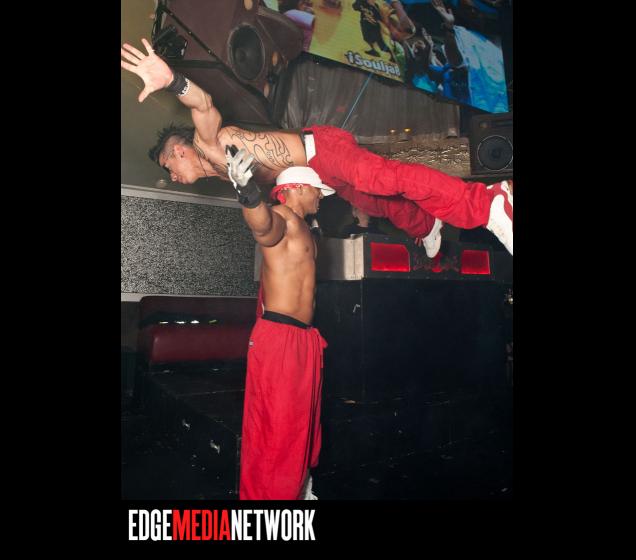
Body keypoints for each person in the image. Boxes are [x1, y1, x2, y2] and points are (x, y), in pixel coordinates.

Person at [120, 38, 512, 255]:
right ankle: (426, 224)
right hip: (317, 174)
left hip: (321, 149)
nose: (173, 176)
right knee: (374, 201)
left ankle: (489, 203)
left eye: (169, 166)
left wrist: (172, 81)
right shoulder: (224, 175)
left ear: (179, 150)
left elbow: (203, 104)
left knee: (384, 178)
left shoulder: (209, 144)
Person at [225, 150, 332, 500]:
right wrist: (248, 193)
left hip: (302, 339)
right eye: (317, 189)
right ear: (297, 187)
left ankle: (298, 486)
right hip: (280, 338)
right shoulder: (282, 217)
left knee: (303, 422)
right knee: (276, 426)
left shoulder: (307, 229)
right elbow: (263, 228)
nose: (321, 196)